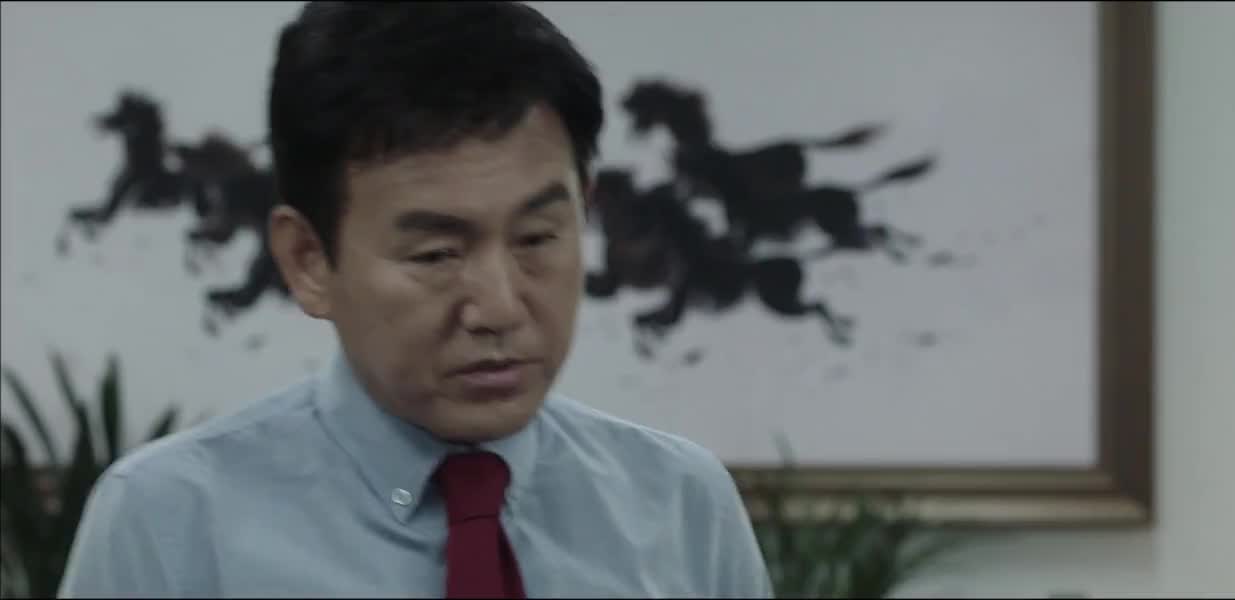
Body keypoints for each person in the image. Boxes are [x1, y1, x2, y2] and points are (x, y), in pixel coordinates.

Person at [57, 2, 774, 598]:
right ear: (308, 260)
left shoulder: (680, 505)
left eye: (537, 237)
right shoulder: (172, 521)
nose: (499, 308)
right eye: (437, 254)